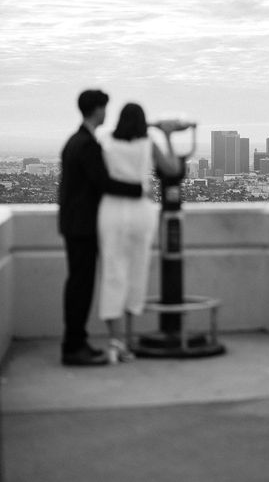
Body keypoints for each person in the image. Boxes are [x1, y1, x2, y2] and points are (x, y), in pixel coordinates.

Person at [58, 90, 144, 366]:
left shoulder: (73, 141)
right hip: (83, 227)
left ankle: (75, 342)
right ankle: (74, 346)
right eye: (104, 108)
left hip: (72, 224)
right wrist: (140, 189)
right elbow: (103, 183)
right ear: (97, 110)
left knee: (77, 284)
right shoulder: (88, 145)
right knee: (80, 287)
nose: (107, 113)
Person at [97, 103, 180, 363]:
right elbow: (172, 169)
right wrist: (166, 133)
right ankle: (130, 341)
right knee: (136, 273)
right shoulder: (148, 143)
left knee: (113, 273)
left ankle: (114, 341)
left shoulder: (106, 140)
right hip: (140, 212)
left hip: (111, 210)